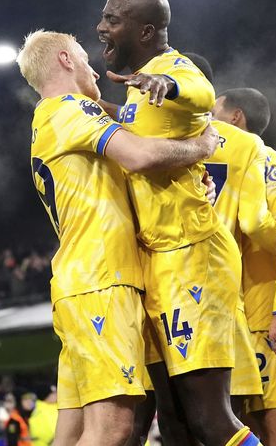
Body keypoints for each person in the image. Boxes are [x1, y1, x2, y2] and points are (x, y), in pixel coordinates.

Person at [17, 29, 218, 445]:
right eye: (84, 59)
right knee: (112, 428)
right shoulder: (68, 109)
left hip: (79, 285)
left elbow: (126, 126)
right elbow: (140, 155)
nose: (95, 70)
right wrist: (203, 147)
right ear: (65, 61)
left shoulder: (51, 118)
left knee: (71, 435)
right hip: (101, 281)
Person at [95, 0, 258, 446]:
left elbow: (201, 93)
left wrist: (170, 86)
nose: (101, 28)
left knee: (210, 419)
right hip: (158, 260)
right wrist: (94, 107)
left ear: (146, 31)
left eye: (112, 19)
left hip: (193, 255)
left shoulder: (172, 69)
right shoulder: (137, 86)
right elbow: (140, 127)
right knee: (174, 420)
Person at [212, 87, 276, 445]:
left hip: (264, 316)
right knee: (245, 429)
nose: (207, 120)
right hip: (233, 313)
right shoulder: (217, 158)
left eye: (214, 112)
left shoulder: (265, 158)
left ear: (236, 117)